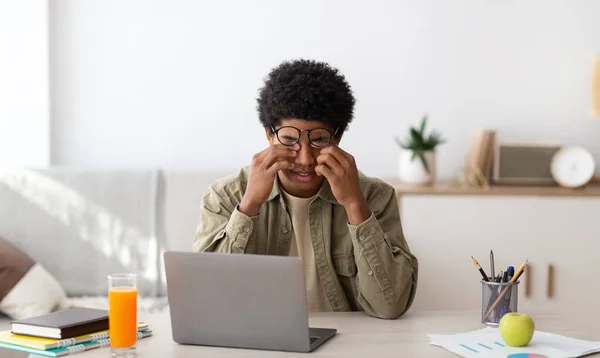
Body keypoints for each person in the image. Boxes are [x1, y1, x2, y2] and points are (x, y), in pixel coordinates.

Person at [193, 59, 418, 319]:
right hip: (258, 340)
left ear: (338, 137)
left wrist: (355, 204)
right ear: (269, 134)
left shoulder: (375, 197)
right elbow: (207, 299)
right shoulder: (225, 195)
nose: (305, 159)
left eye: (320, 139)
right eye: (289, 139)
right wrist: (249, 205)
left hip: (349, 343)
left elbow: (390, 306)